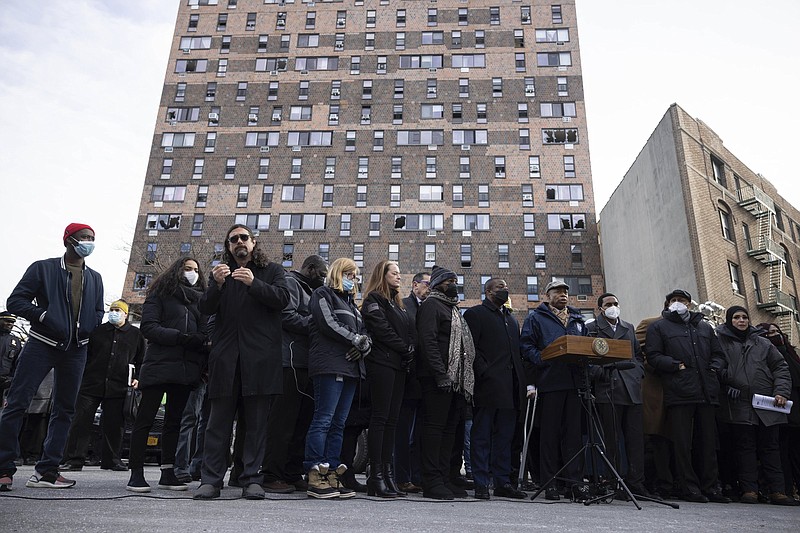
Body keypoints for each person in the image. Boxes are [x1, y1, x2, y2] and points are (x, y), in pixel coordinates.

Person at [0, 223, 103, 491]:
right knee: (17, 403)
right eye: (84, 237)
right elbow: (16, 301)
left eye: (92, 238)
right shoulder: (42, 268)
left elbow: (98, 310)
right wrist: (43, 316)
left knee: (65, 410)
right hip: (41, 344)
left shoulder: (95, 277)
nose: (89, 242)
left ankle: (47, 471)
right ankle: (3, 469)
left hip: (76, 349)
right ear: (69, 240)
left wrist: (90, 326)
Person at [194, 224, 289, 501]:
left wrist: (254, 284)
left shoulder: (272, 271)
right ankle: (210, 480)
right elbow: (205, 308)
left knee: (256, 425)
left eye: (244, 238)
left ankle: (251, 479)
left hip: (259, 360)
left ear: (253, 242)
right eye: (233, 239)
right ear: (228, 245)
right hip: (226, 360)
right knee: (217, 423)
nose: (239, 242)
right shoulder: (220, 275)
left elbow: (283, 299)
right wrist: (218, 285)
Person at [126, 258, 209, 493]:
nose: (192, 273)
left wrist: (198, 341)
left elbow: (203, 331)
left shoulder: (200, 300)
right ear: (177, 270)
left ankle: (168, 472)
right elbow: (149, 327)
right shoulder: (160, 294)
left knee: (174, 422)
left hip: (185, 369)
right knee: (145, 420)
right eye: (187, 269)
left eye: (195, 270)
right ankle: (136, 473)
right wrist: (180, 337)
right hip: (158, 366)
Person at [645, 289, 729, 503]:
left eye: (681, 300)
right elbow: (653, 356)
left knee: (708, 442)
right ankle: (689, 487)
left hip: (706, 391)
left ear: (689, 304)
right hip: (679, 391)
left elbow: (719, 354)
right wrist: (675, 366)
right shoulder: (658, 327)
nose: (676, 303)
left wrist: (713, 368)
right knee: (683, 444)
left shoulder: (703, 327)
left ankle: (711, 487)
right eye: (672, 300)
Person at [262, 254, 328, 494]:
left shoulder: (313, 292)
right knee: (283, 422)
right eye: (321, 274)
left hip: (308, 363)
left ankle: (291, 472)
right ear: (310, 269)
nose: (323, 279)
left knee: (302, 422)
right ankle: (271, 474)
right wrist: (320, 323)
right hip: (289, 361)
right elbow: (286, 317)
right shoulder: (291, 283)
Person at [717, 309, 796, 505]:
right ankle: (749, 490)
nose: (741, 320)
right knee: (745, 448)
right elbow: (715, 368)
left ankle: (777, 491)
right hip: (739, 404)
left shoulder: (763, 343)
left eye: (744, 317)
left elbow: (781, 368)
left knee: (771, 448)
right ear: (729, 321)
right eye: (736, 317)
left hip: (767, 404)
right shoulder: (719, 342)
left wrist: (781, 392)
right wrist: (726, 385)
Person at [304, 258, 369, 499]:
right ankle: (314, 472)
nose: (354, 278)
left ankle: (332, 472)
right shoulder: (322, 294)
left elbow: (365, 335)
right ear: (338, 273)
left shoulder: (353, 305)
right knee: (324, 419)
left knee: (338, 423)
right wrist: (355, 340)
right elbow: (327, 323)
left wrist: (363, 346)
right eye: (350, 273)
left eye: (356, 274)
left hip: (351, 370)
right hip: (329, 366)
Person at [520, 280, 587, 501]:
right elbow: (526, 346)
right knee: (549, 435)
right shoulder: (536, 318)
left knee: (573, 437)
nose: (563, 294)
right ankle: (550, 483)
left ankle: (573, 483)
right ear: (547, 295)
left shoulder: (577, 319)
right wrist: (540, 359)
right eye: (558, 291)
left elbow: (585, 344)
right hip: (550, 383)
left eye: (566, 291)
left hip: (574, 383)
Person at [62, 300, 146, 472]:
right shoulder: (98, 331)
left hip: (119, 386)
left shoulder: (136, 335)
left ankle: (111, 460)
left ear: (125, 313)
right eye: (112, 310)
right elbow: (86, 355)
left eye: (118, 310)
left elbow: (142, 359)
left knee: (114, 425)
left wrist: (138, 378)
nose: (114, 312)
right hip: (91, 383)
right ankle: (74, 459)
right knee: (81, 422)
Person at [463, 278, 527, 500]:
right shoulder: (475, 314)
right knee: (481, 436)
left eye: (506, 287)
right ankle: (481, 482)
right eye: (500, 287)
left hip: (511, 388)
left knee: (505, 437)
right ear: (488, 291)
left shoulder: (511, 320)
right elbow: (470, 349)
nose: (505, 290)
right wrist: (485, 372)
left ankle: (502, 482)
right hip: (488, 387)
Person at [416, 265, 475, 501]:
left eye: (455, 280)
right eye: (449, 281)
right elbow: (428, 341)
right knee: (434, 429)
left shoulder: (453, 309)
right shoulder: (431, 305)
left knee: (449, 431)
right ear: (437, 284)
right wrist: (440, 374)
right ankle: (431, 481)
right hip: (437, 379)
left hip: (456, 381)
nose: (454, 285)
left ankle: (444, 477)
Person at [361, 260, 416, 498]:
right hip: (381, 364)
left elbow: (408, 330)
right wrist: (405, 347)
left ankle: (388, 474)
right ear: (382, 275)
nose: (399, 276)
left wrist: (409, 347)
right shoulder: (373, 300)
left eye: (399, 273)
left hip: (398, 366)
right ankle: (376, 476)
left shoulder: (398, 305)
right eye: (394, 273)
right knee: (381, 418)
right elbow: (382, 330)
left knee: (392, 421)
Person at [587, 293, 650, 497]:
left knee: (635, 440)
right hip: (608, 389)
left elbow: (638, 356)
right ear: (600, 308)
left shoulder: (628, 327)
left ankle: (636, 482)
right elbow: (587, 359)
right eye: (608, 304)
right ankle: (612, 481)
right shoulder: (591, 328)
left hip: (632, 389)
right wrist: (601, 373)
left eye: (615, 303)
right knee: (611, 439)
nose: (613, 306)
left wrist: (637, 372)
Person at [758, 322, 800, 501]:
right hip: (777, 410)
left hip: (796, 412)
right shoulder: (765, 354)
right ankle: (785, 489)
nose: (776, 335)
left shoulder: (791, 354)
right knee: (781, 452)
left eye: (777, 331)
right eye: (770, 333)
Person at [396, 272, 430, 493]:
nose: (430, 288)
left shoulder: (431, 307)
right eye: (428, 284)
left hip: (426, 380)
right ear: (415, 284)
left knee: (419, 434)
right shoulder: (404, 305)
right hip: (408, 377)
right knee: (403, 432)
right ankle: (401, 477)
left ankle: (417, 477)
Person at [0, 312, 23, 402]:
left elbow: (17, 363)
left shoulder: (15, 342)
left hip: (3, 384)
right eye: (7, 321)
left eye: (12, 322)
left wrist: (10, 379)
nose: (10, 324)